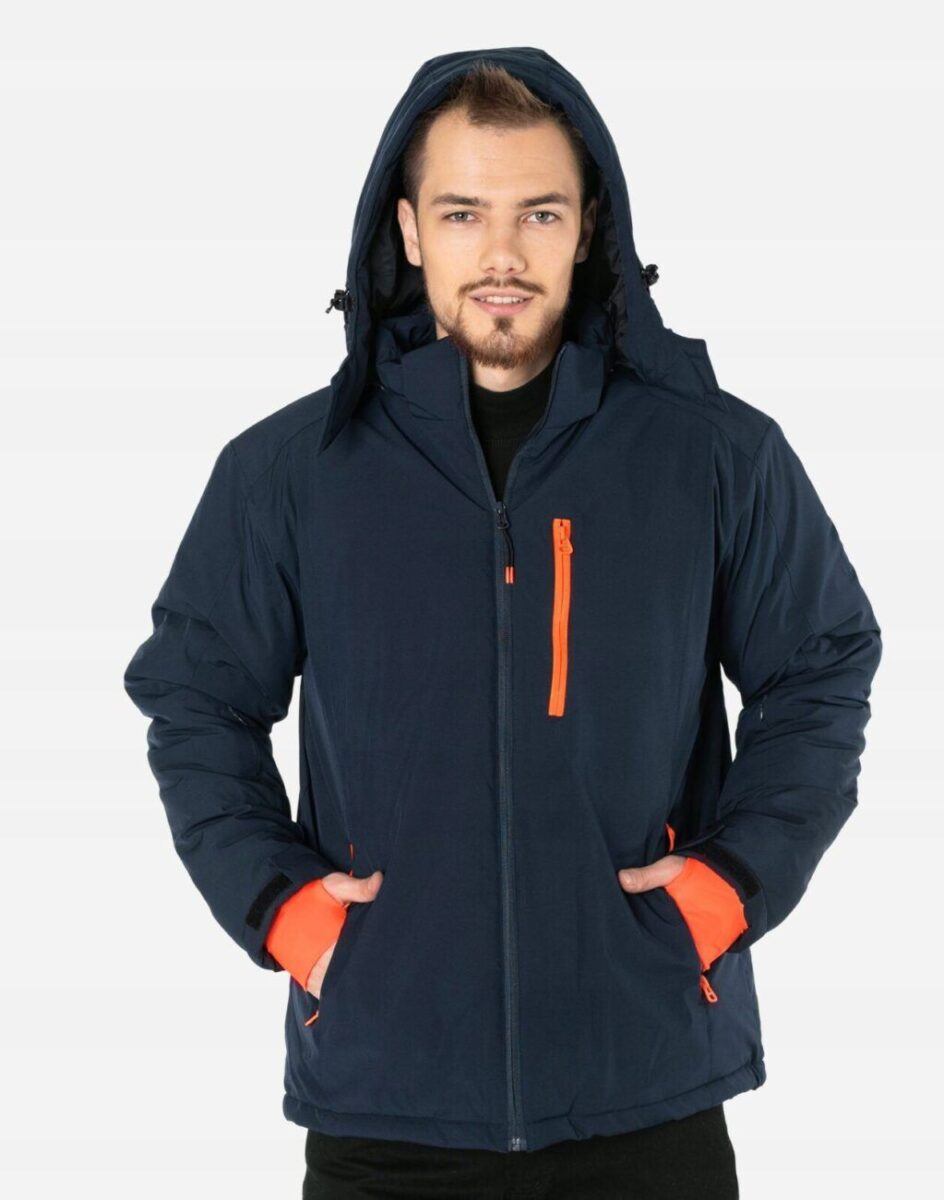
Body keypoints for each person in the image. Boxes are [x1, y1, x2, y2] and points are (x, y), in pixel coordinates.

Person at [124, 47, 882, 1199]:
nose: (501, 254)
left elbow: (820, 666)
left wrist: (730, 882)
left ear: (587, 228)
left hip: (646, 1094)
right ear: (407, 230)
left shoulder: (710, 453)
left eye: (538, 212)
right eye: (462, 212)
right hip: (385, 1110)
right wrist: (281, 907)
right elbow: (195, 697)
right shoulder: (289, 472)